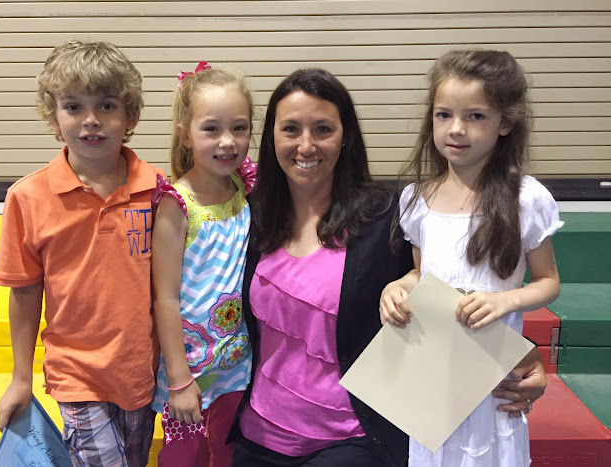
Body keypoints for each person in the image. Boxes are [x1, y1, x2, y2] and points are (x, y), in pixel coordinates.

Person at [229, 67, 550, 467]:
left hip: (351, 439)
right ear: (271, 137)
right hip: (258, 434)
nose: (306, 145)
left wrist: (519, 354)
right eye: (291, 129)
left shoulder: (385, 218)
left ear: (345, 136)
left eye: (323, 129)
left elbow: (447, 290)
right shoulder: (251, 218)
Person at [379, 49, 562, 466]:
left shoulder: (526, 199)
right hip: (434, 376)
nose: (456, 129)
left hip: (491, 376)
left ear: (505, 123)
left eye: (475, 116)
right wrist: (397, 287)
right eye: (444, 115)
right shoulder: (417, 198)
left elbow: (548, 281)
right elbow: (421, 274)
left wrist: (505, 300)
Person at [0, 40, 161, 466]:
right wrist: (20, 378)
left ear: (131, 116)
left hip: (141, 372)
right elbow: (24, 291)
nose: (91, 120)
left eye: (106, 105)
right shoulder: (27, 197)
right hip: (76, 373)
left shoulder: (158, 190)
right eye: (73, 107)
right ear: (53, 117)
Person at [150, 62, 256, 467]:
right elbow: (165, 297)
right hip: (188, 370)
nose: (227, 141)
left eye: (239, 128)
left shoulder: (245, 188)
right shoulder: (177, 205)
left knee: (227, 453)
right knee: (184, 456)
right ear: (186, 135)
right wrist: (178, 379)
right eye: (211, 129)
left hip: (236, 365)